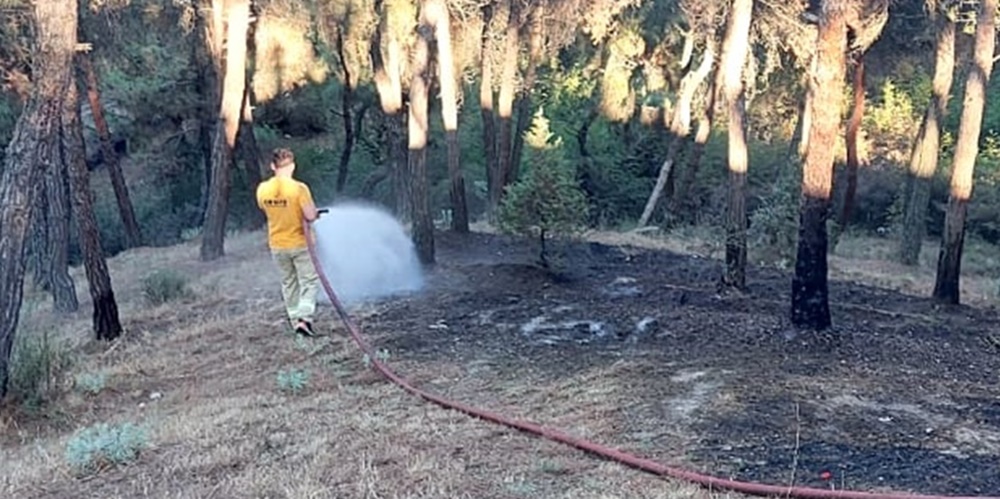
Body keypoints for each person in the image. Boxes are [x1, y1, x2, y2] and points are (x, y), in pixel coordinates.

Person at [256, 147, 321, 337]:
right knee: (309, 281)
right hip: (300, 243)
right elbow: (309, 215)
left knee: (289, 283)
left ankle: (294, 322)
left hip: (277, 244)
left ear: (272, 166)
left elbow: (266, 209)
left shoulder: (262, 189)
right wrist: (314, 214)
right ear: (292, 166)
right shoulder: (299, 189)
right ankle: (304, 319)